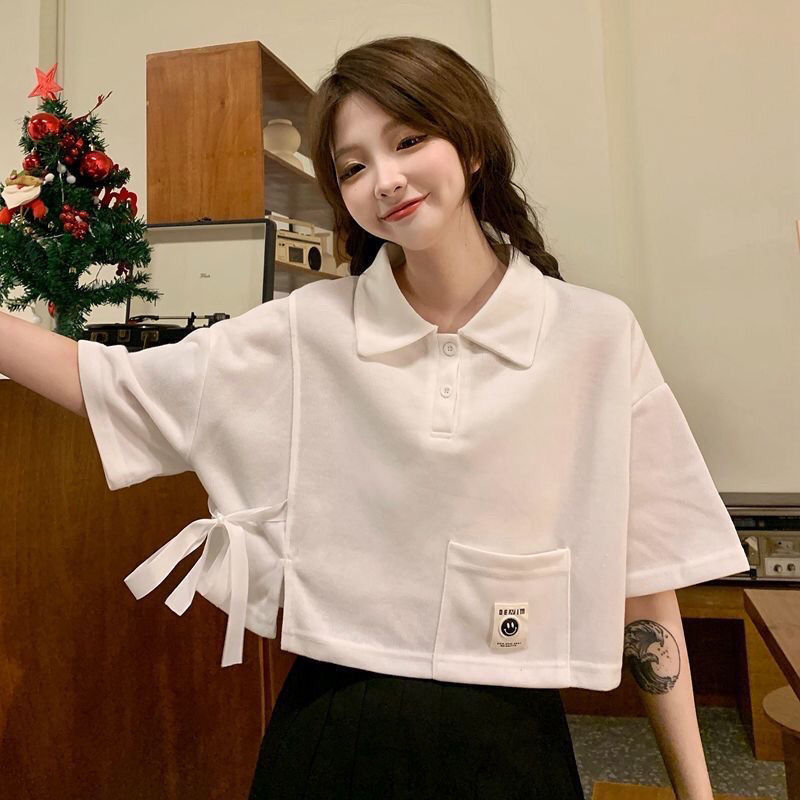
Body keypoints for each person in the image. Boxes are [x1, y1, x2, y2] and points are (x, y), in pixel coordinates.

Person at [0, 34, 749, 800]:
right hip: (336, 731)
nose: (385, 180)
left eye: (408, 141)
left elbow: (645, 582)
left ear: (473, 145)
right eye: (353, 167)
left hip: (513, 740)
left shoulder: (595, 336)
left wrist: (697, 791)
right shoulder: (307, 329)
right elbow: (114, 385)